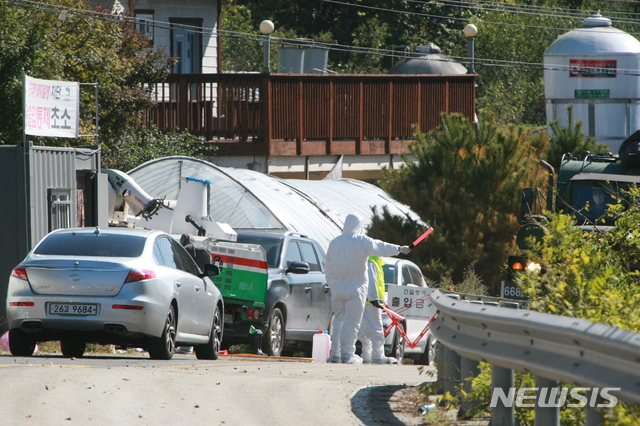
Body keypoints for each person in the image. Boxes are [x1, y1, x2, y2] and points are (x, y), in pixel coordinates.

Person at [325, 213, 410, 364]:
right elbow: (380, 246)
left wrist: (332, 283)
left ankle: (335, 354)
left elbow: (328, 266)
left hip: (337, 287)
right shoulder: (360, 241)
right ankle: (347, 354)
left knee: (338, 320)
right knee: (352, 322)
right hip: (356, 286)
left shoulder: (334, 242)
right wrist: (399, 249)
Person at [358, 256, 398, 364]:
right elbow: (372, 282)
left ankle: (366, 355)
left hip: (367, 302)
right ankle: (378, 357)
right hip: (372, 303)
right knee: (377, 330)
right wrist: (374, 298)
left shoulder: (372, 261)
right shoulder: (372, 262)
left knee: (363, 330)